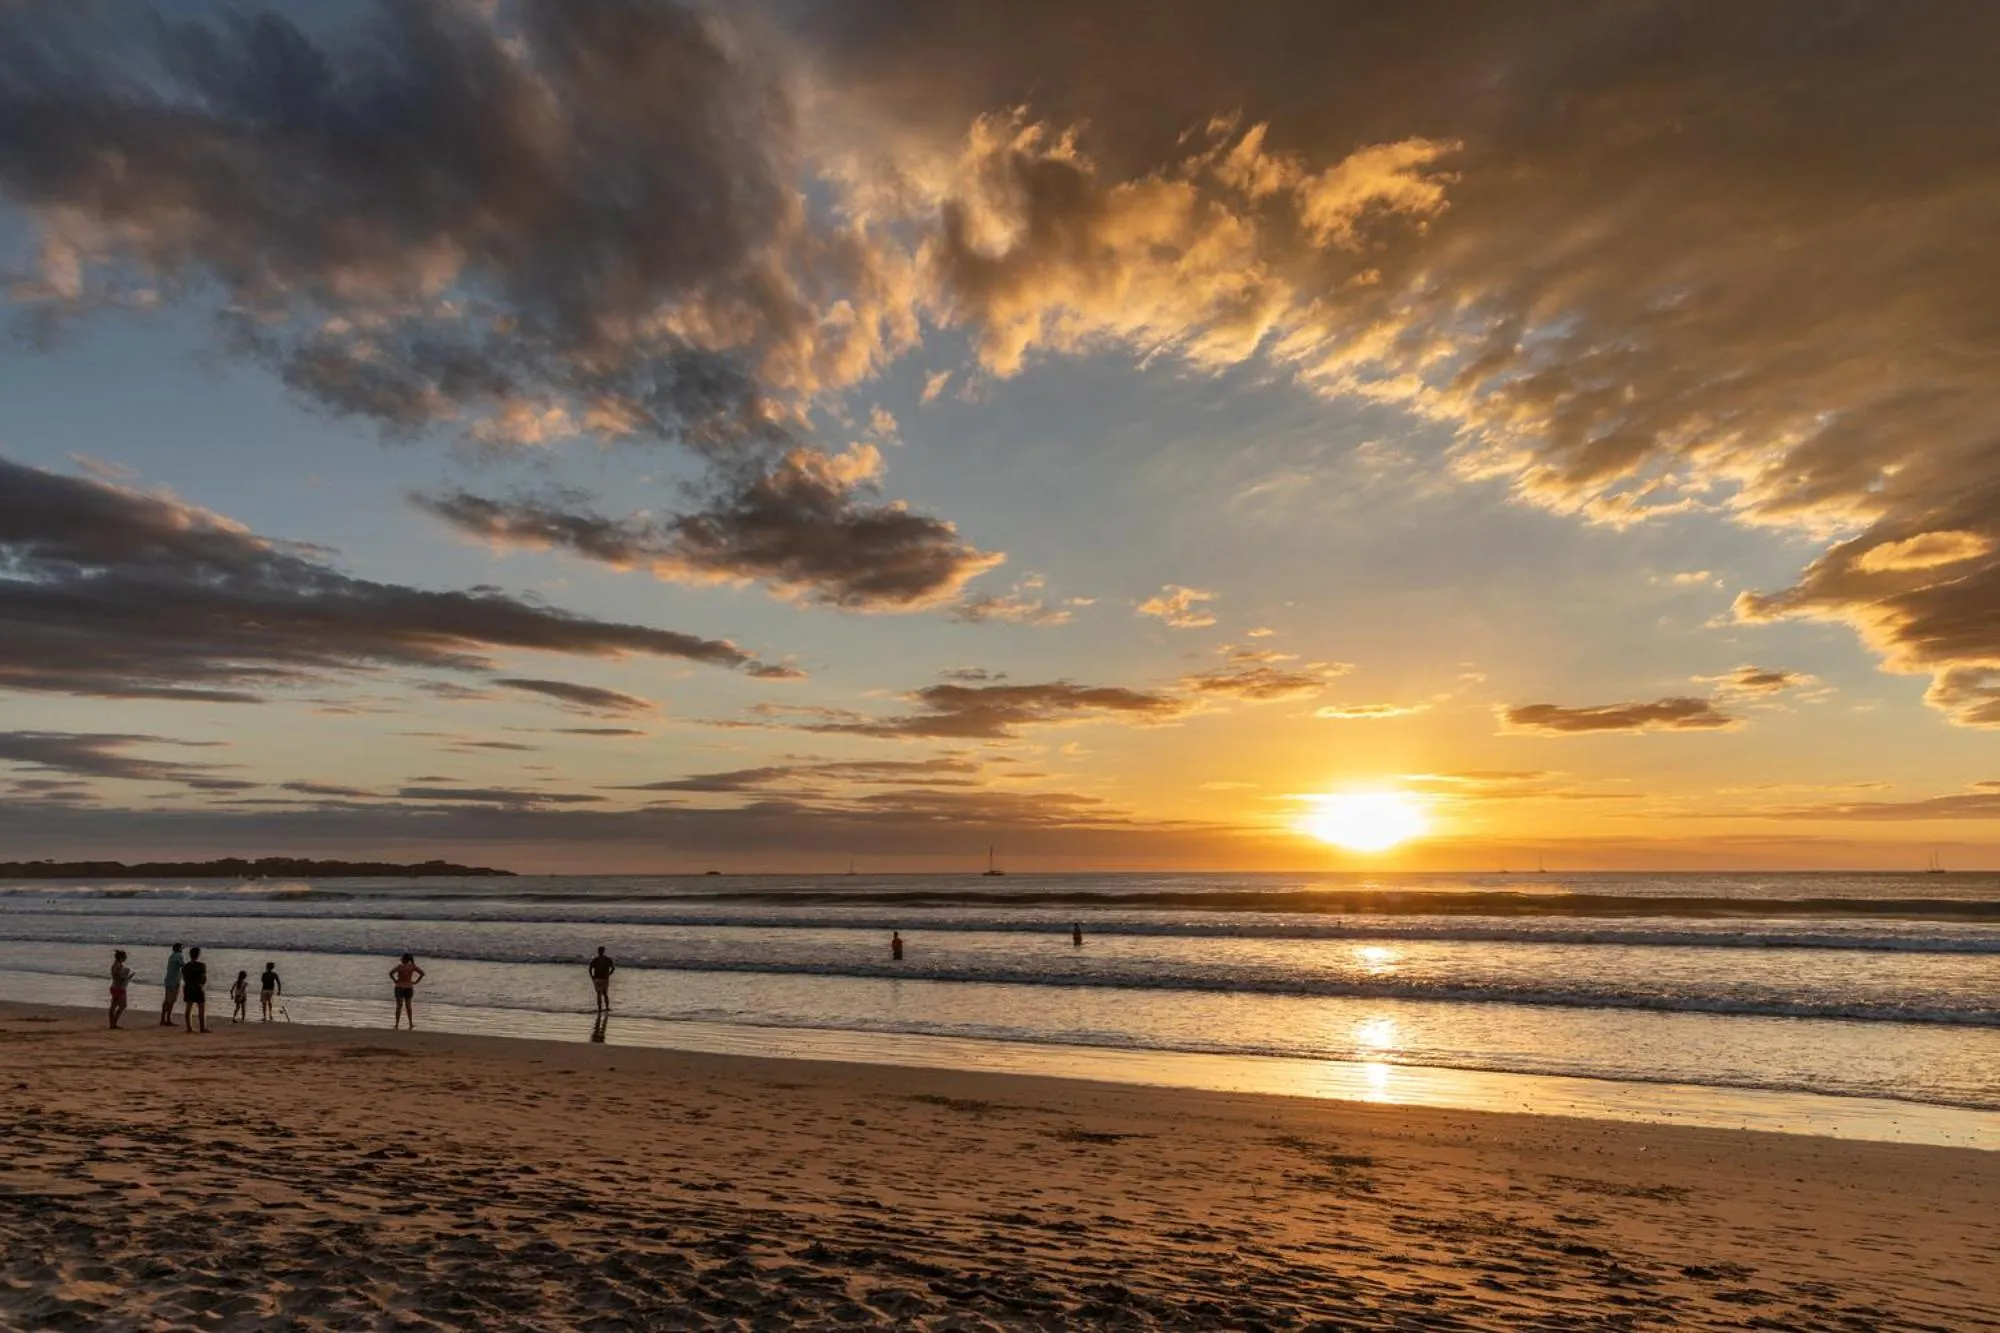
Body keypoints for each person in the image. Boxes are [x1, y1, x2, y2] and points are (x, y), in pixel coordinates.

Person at [389, 954, 425, 1030]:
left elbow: (391, 973)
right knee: (408, 1006)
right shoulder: (412, 967)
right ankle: (410, 1023)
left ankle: (397, 1024)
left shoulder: (400, 967)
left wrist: (395, 980)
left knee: (399, 1006)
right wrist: (416, 982)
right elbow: (422, 973)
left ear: (403, 959)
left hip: (399, 986)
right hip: (409, 986)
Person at [180, 947, 210, 1034]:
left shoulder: (186, 966)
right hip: (197, 986)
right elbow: (204, 978)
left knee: (188, 1008)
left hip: (188, 986)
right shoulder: (201, 965)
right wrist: (202, 984)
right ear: (198, 955)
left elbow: (184, 978)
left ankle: (189, 1027)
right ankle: (202, 1027)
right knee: (201, 1007)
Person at [159, 942, 185, 1027]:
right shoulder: (179, 956)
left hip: (168, 979)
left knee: (166, 1000)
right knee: (171, 1001)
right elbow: (183, 965)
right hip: (174, 980)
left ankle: (163, 1018)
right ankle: (168, 1019)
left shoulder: (172, 956)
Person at [587, 947, 616, 1014]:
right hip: (604, 978)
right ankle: (606, 1008)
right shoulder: (607, 959)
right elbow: (613, 968)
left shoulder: (595, 960)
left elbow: (590, 969)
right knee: (605, 993)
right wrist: (609, 974)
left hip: (598, 978)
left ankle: (600, 1008)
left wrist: (592, 977)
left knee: (599, 994)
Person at [109, 950, 133, 1029]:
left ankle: (112, 1023)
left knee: (113, 1006)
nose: (125, 958)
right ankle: (113, 1023)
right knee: (122, 1005)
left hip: (114, 987)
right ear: (120, 957)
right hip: (119, 988)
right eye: (124, 957)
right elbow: (121, 977)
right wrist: (128, 975)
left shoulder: (115, 965)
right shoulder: (118, 966)